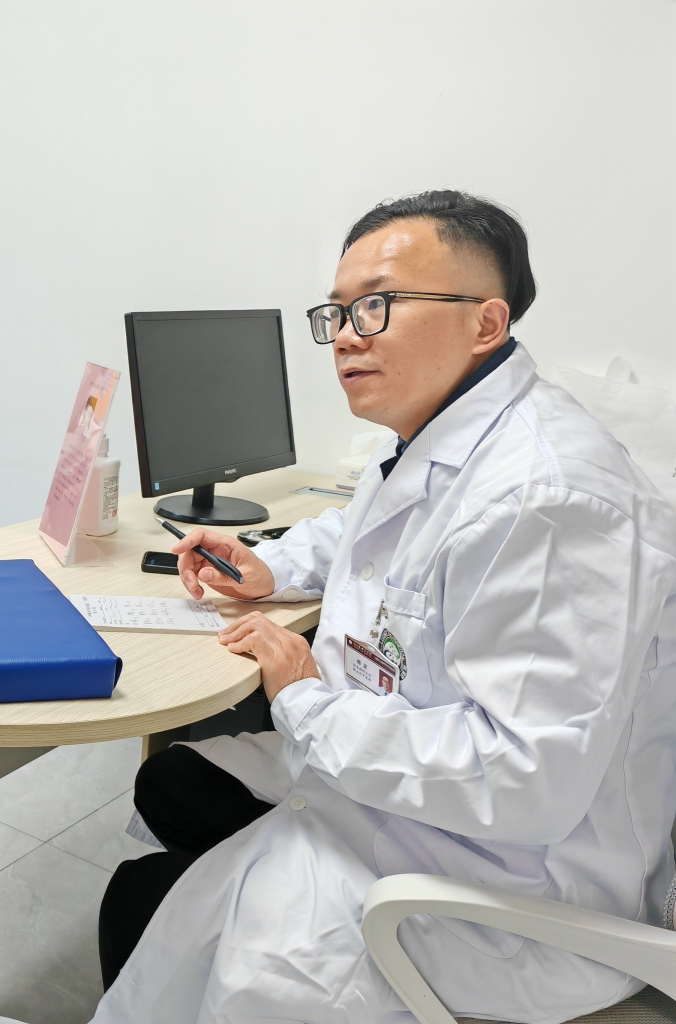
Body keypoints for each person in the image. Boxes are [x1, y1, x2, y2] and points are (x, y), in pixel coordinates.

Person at [94, 191, 676, 1022]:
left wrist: (304, 699)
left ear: (485, 321)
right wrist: (270, 566)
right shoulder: (438, 429)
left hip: (510, 893)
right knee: (179, 787)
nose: (345, 336)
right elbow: (376, 533)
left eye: (376, 305)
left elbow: (522, 779)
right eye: (335, 313)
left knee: (155, 910)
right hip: (411, 807)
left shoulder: (549, 500)